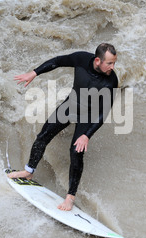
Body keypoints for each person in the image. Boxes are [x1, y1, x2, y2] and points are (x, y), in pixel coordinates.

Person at [8, 43, 119, 211]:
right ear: (97, 60)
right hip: (71, 106)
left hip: (89, 116)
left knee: (76, 152)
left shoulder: (111, 81)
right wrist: (34, 72)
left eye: (114, 63)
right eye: (109, 63)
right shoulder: (81, 59)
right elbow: (58, 61)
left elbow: (103, 114)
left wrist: (86, 135)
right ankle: (28, 172)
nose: (113, 67)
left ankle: (70, 198)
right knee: (43, 135)